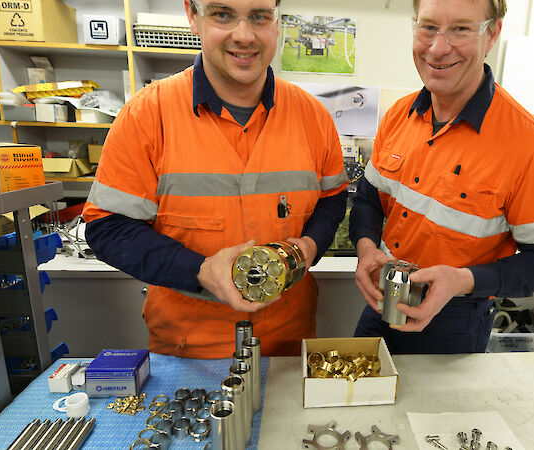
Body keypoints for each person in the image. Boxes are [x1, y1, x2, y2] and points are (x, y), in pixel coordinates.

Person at [82, 0, 349, 359]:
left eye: (259, 16)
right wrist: (201, 270)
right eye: (222, 14)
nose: (244, 35)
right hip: (188, 351)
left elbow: (332, 198)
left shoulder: (312, 115)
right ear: (193, 16)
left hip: (288, 344)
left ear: (277, 22)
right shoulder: (146, 116)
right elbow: (108, 226)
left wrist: (309, 247)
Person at [349, 0, 534, 354]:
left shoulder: (532, 145)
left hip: (455, 322)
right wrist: (365, 250)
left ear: (493, 33)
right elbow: (367, 199)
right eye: (428, 27)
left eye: (461, 29)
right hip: (381, 303)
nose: (438, 48)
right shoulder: (399, 115)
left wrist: (462, 280)